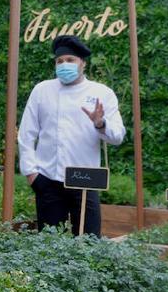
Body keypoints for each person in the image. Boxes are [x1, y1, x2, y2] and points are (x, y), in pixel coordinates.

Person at [18, 35, 124, 236]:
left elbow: (117, 136)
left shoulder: (102, 93)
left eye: (70, 60)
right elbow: (26, 134)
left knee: (89, 243)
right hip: (47, 178)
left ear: (82, 63)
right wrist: (31, 174)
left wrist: (100, 124)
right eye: (60, 61)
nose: (64, 65)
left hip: (85, 180)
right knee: (48, 245)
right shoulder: (42, 90)